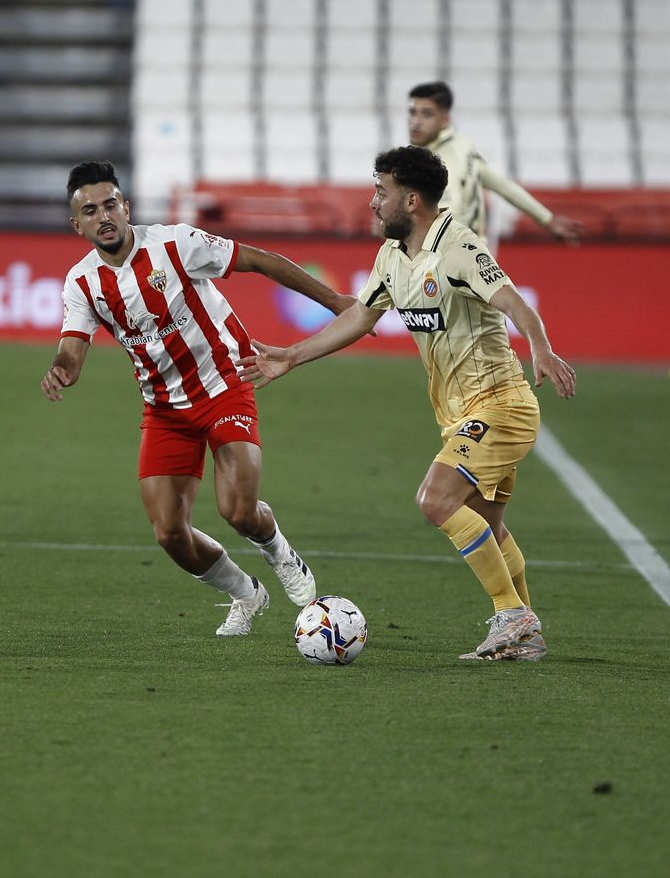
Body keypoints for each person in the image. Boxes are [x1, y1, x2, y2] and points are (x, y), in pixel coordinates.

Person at [244, 145, 576, 662]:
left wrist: (542, 347)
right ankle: (525, 637)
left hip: (500, 406)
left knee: (436, 499)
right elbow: (360, 317)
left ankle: (512, 616)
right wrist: (292, 356)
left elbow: (512, 301)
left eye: (382, 192)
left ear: (413, 200)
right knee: (487, 525)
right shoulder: (392, 257)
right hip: (463, 414)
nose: (373, 203)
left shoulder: (458, 248)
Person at [41, 161, 349, 636]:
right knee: (169, 533)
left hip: (224, 383)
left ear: (125, 207)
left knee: (238, 512)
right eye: (89, 210)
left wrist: (338, 305)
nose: (102, 216)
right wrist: (62, 370)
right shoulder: (81, 282)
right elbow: (73, 348)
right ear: (76, 224)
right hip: (164, 409)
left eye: (109, 205)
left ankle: (281, 554)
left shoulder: (174, 244)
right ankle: (246, 594)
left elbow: (262, 260)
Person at [406, 81, 583, 245]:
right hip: (472, 257)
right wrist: (547, 219)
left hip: (449, 261)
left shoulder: (443, 160)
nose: (416, 122)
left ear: (444, 120)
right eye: (413, 113)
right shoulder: (462, 147)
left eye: (427, 114)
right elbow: (504, 186)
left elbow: (451, 212)